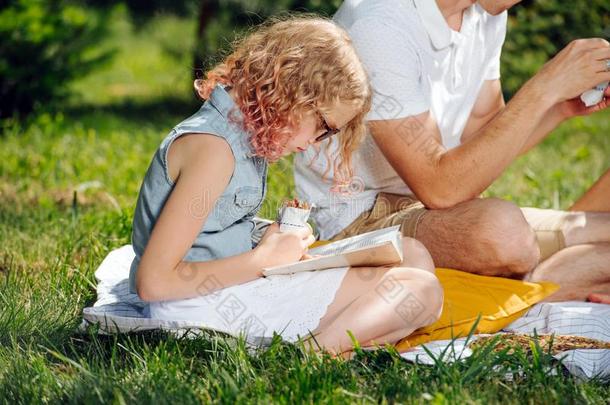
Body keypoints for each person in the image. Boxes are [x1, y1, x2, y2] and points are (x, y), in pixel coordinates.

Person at [128, 16, 443, 358]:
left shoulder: (236, 136)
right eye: (322, 126)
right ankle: (309, 354)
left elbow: (210, 229)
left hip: (227, 285)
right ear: (291, 90)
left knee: (414, 254)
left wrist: (269, 236)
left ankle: (343, 337)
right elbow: (153, 281)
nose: (314, 143)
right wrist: (263, 259)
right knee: (421, 292)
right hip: (200, 303)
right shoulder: (215, 151)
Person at [295, 0, 610, 303]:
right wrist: (544, 88)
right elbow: (441, 188)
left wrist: (560, 108)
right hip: (358, 220)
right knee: (504, 231)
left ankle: (538, 288)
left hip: (436, 211)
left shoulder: (485, 15)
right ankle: (531, 292)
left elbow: (485, 141)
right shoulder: (380, 26)